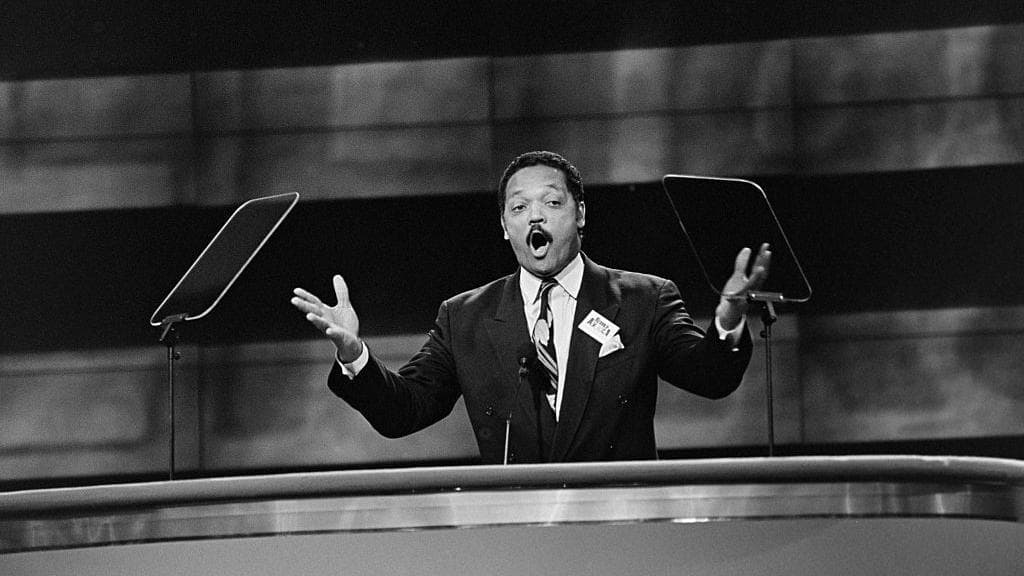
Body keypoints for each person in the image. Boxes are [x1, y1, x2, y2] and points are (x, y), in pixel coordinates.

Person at [291, 151, 770, 464]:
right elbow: (405, 412)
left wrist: (727, 321)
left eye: (551, 202)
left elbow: (710, 376)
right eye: (519, 208)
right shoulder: (465, 318)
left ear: (580, 213)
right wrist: (354, 354)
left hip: (619, 529)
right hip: (516, 534)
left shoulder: (645, 300)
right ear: (504, 225)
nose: (535, 216)